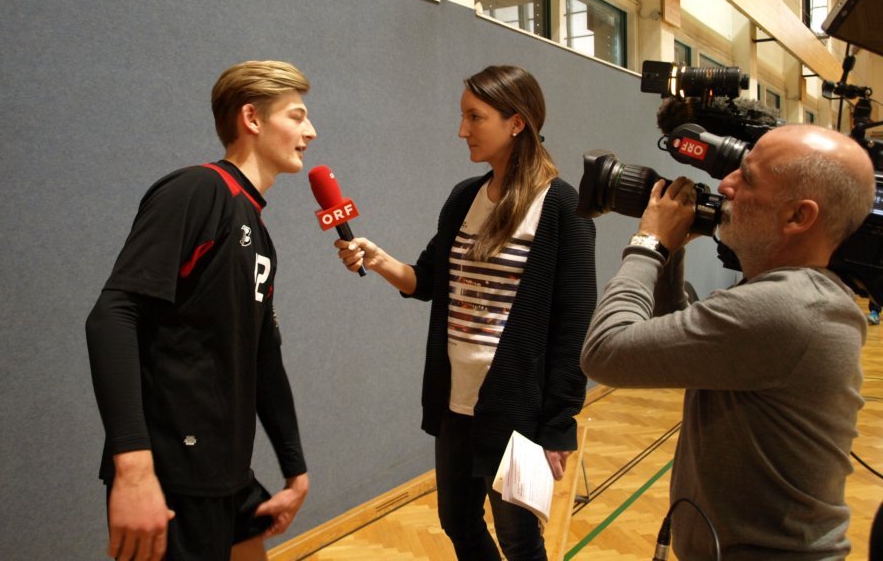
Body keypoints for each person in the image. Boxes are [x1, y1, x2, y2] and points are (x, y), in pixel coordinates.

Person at [335, 65, 597, 560]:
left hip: (518, 406)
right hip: (456, 399)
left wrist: (559, 423)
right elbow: (427, 280)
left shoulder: (562, 206)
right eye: (463, 117)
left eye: (475, 117)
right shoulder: (464, 198)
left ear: (516, 122)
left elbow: (574, 325)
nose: (462, 130)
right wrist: (377, 258)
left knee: (520, 541)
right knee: (457, 522)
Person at [581, 123, 876, 559]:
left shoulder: (785, 307)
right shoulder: (797, 293)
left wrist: (649, 243)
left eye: (748, 178)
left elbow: (606, 352)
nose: (725, 185)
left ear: (798, 217)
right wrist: (672, 251)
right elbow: (680, 347)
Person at [85, 60, 316, 561]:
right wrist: (133, 469)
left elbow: (263, 358)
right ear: (251, 119)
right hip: (172, 472)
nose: (310, 132)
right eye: (297, 117)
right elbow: (113, 315)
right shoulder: (198, 190)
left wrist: (295, 468)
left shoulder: (258, 231)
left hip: (225, 470)